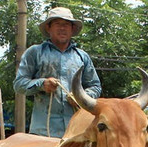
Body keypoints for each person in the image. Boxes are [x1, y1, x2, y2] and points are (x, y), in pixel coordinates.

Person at [13, 6, 102, 138]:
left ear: (72, 29)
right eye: (57, 24)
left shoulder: (82, 57)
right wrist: (42, 84)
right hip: (43, 132)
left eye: (66, 24)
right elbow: (19, 85)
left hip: (76, 131)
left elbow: (95, 86)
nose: (62, 28)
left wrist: (81, 97)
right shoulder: (35, 52)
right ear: (49, 28)